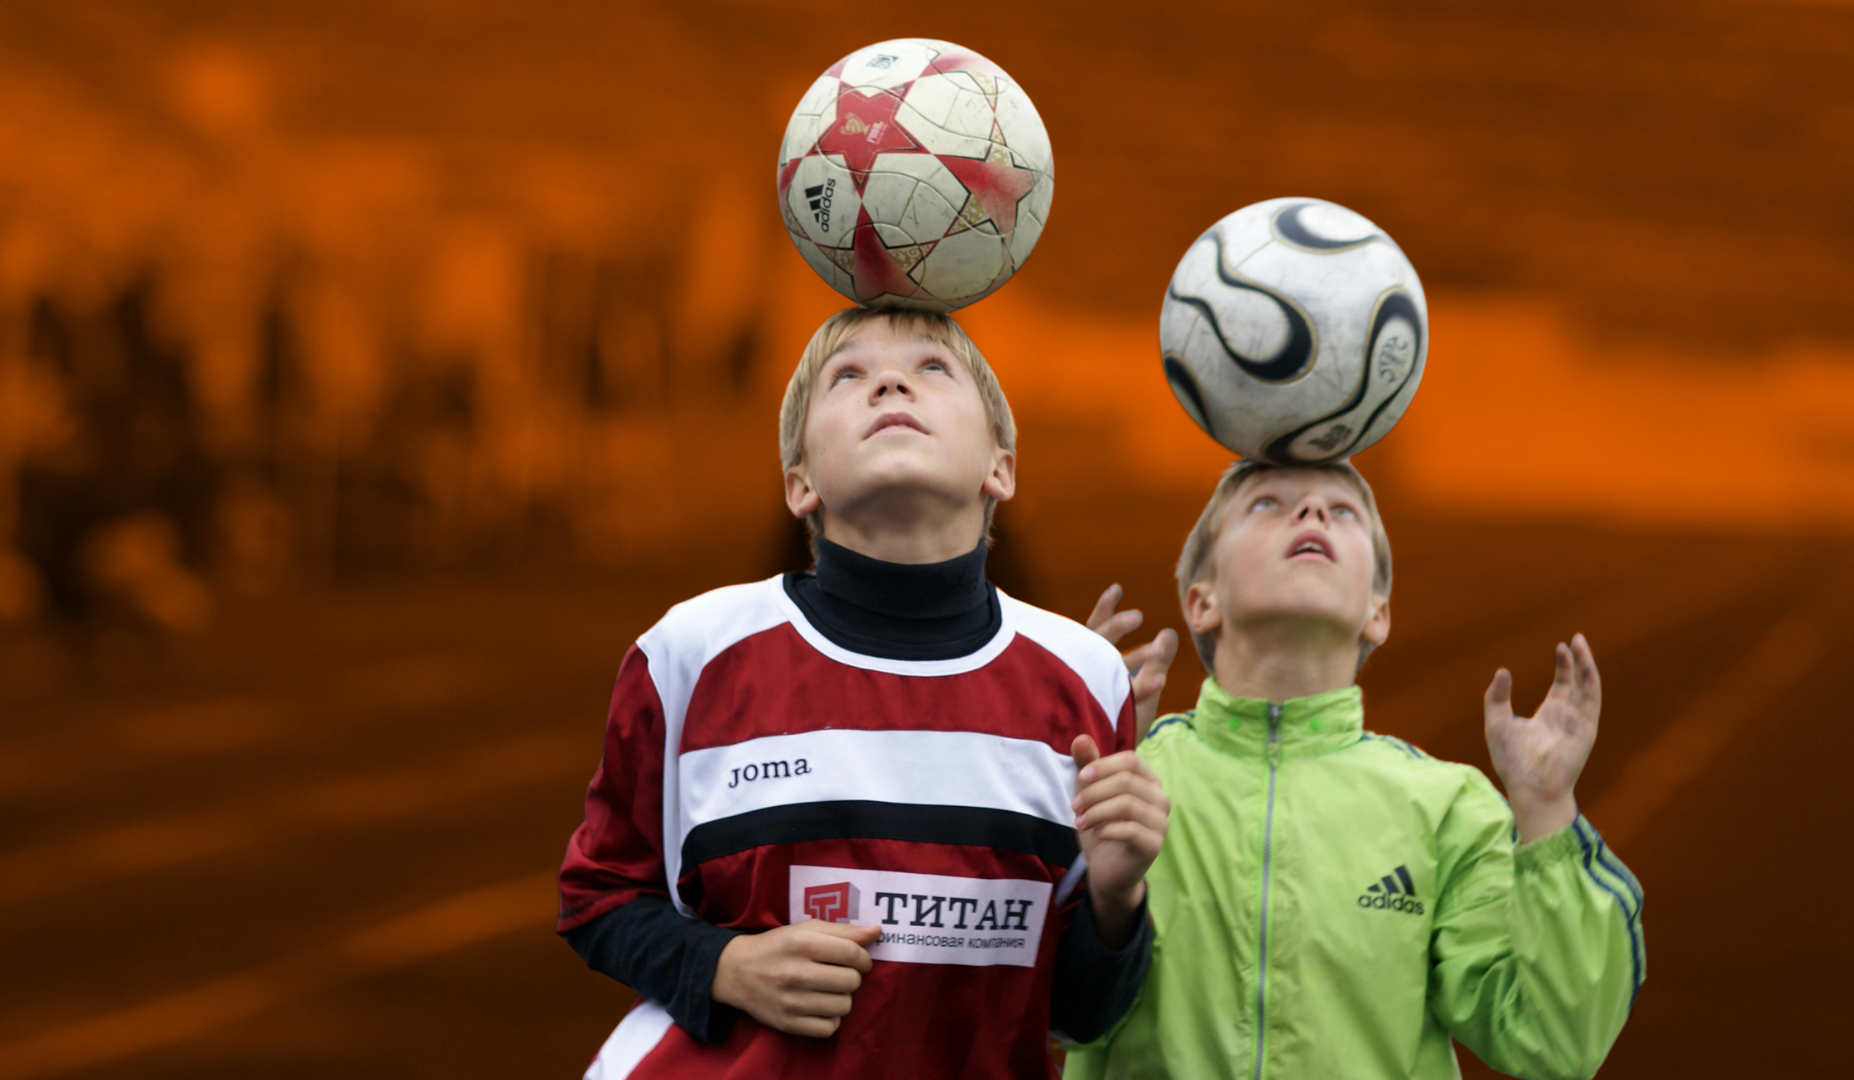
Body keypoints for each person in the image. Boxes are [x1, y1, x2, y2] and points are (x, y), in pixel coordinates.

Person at [557, 307, 1175, 1079]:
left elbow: (1076, 1014)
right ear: (800, 484)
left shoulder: (1084, 680)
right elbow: (598, 895)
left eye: (933, 369)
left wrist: (1117, 898)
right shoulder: (690, 652)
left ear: (1002, 469)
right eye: (846, 375)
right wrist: (724, 966)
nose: (889, 382)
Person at [1065, 459, 1644, 1080]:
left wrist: (1547, 810)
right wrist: (1047, 757)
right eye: (1267, 503)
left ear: (1377, 612)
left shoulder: (1446, 809)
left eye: (1343, 511)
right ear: (1202, 602)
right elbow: (1022, 998)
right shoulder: (1117, 778)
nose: (1312, 510)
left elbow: (1557, 1044)